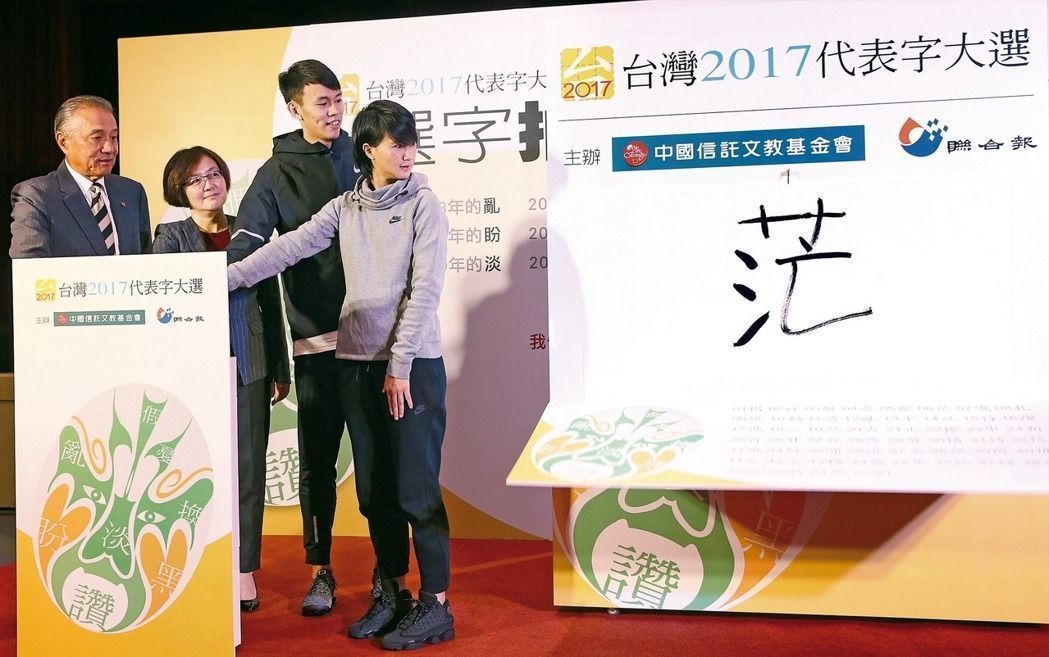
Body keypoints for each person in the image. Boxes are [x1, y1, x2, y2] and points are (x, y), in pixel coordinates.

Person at [228, 99, 453, 650]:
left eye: (411, 142)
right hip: (355, 366)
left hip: (411, 369)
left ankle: (436, 604)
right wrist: (223, 280)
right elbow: (288, 248)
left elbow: (424, 290)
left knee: (416, 489)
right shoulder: (345, 207)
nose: (408, 153)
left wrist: (400, 365)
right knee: (374, 492)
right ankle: (393, 593)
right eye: (396, 144)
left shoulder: (425, 204)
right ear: (368, 150)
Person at [224, 59, 359, 616]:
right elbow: (246, 249)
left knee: (381, 464)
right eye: (322, 102)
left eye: (338, 99)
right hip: (315, 341)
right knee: (317, 463)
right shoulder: (275, 173)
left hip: (378, 342)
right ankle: (320, 571)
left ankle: (389, 575)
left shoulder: (366, 151)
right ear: (294, 107)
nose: (334, 111)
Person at [153, 146, 290, 612]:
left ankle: (243, 569)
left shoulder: (250, 230)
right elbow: (162, 306)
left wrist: (280, 367)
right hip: (194, 370)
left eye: (213, 174)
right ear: (180, 190)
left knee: (249, 469)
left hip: (250, 363)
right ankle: (195, 560)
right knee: (193, 470)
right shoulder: (170, 237)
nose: (207, 184)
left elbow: (270, 302)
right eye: (195, 180)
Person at [10, 95, 151, 258]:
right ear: (63, 142)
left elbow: (146, 261)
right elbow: (30, 268)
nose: (109, 148)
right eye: (96, 138)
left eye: (114, 137)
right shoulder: (36, 196)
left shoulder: (132, 192)